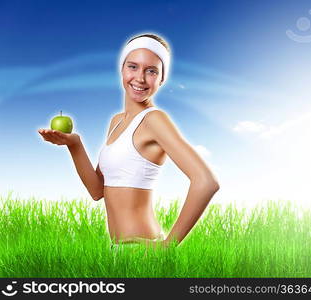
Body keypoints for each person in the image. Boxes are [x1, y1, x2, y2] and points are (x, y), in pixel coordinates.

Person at [38, 33, 220, 249]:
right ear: (122, 69)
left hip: (142, 250)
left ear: (162, 79)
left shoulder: (154, 119)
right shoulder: (116, 121)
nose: (140, 78)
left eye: (151, 71)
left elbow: (206, 181)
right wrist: (74, 144)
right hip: (117, 249)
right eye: (133, 67)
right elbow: (98, 191)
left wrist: (167, 247)